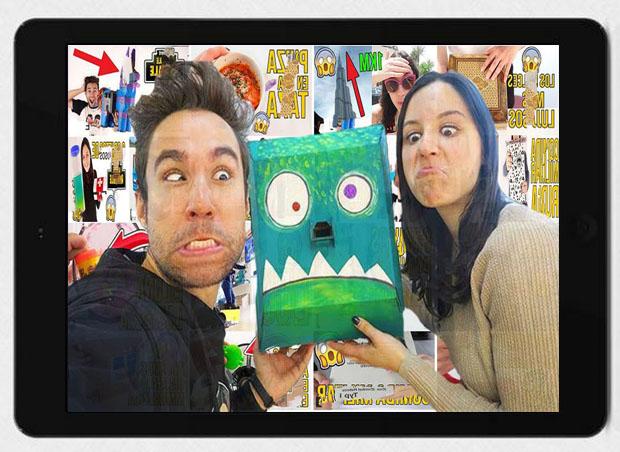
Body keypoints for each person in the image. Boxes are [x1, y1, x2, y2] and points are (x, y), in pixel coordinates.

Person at [68, 61, 313, 412]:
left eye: (222, 174)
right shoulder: (115, 328)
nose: (201, 203)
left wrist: (257, 394)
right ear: (142, 205)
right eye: (174, 175)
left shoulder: (190, 320)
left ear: (246, 202)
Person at [329, 71, 558, 412]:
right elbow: (429, 305)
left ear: (485, 148)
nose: (426, 148)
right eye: (413, 136)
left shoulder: (520, 247)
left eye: (448, 130)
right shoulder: (451, 249)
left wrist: (405, 364)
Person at [371, 50, 419, 134]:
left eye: (408, 81)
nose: (401, 93)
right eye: (392, 84)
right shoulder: (377, 116)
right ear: (386, 88)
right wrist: (374, 76)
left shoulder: (428, 114)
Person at [80, 137, 99, 222]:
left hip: (94, 217)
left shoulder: (94, 173)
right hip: (84, 218)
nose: (86, 160)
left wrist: (99, 196)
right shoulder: (78, 178)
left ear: (90, 155)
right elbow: (78, 207)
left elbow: (97, 202)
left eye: (87, 155)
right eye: (83, 157)